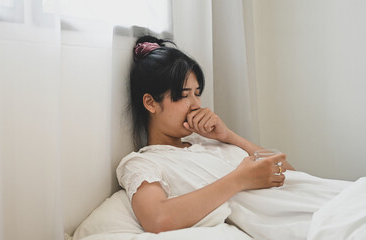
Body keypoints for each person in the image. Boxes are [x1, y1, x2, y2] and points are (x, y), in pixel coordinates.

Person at [116, 35, 351, 239]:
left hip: (330, 197)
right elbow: (158, 219)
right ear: (150, 103)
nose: (196, 104)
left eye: (197, 94)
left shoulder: (210, 141)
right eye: (184, 95)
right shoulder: (144, 163)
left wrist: (229, 136)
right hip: (310, 221)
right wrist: (240, 179)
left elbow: (290, 173)